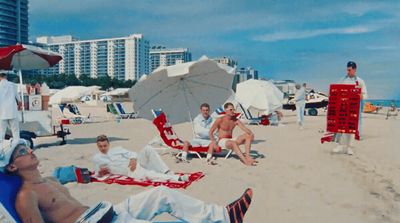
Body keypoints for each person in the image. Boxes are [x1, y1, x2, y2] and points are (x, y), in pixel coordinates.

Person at [1, 141, 253, 223]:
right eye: (21, 152)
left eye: (26, 147)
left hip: (104, 211)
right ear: (12, 167)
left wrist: (79, 173)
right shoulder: (26, 196)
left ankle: (224, 216)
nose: (29, 151)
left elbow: (77, 176)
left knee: (163, 193)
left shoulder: (49, 179)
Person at [93, 134, 190, 182]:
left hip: (135, 163)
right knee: (150, 174)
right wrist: (102, 172)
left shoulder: (117, 149)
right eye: (100, 146)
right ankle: (177, 178)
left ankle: (166, 171)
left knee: (148, 148)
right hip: (130, 171)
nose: (103, 148)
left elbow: (132, 153)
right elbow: (98, 175)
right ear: (97, 146)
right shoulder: (97, 159)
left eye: (105, 146)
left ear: (108, 144)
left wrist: (133, 159)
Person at [333, 61, 368, 155]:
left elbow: (365, 94)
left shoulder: (360, 81)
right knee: (341, 126)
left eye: (350, 70)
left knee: (351, 128)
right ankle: (339, 146)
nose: (348, 71)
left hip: (354, 107)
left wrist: (361, 96)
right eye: (347, 69)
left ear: (354, 69)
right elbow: (336, 90)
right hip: (343, 106)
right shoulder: (342, 80)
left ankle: (350, 148)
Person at [0, 71, 21, 159]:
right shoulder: (13, 85)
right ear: (6, 77)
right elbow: (19, 101)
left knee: (1, 133)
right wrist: (19, 106)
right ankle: (17, 151)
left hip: (2, 112)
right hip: (12, 111)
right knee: (15, 132)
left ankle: (1, 151)